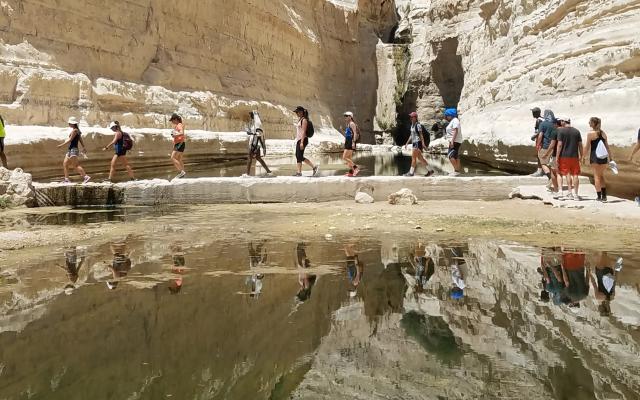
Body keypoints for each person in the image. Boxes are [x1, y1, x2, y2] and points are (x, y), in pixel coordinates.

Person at [582, 117, 614, 202]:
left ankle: (599, 197)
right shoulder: (603, 133)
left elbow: (587, 147)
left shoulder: (590, 134)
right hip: (603, 158)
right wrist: (610, 158)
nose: (589, 123)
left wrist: (583, 157)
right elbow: (607, 147)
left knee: (596, 176)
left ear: (593, 123)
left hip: (595, 157)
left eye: (590, 122)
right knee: (601, 176)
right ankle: (604, 196)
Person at [556, 117, 583, 200]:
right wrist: (582, 155)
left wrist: (557, 156)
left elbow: (559, 145)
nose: (561, 122)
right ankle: (576, 194)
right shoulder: (577, 131)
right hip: (575, 156)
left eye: (561, 121)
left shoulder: (561, 131)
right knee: (575, 175)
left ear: (564, 122)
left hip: (564, 156)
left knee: (567, 174)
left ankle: (570, 193)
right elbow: (580, 145)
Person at [57, 117, 91, 184]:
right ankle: (67, 179)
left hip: (73, 150)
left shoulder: (75, 131)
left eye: (70, 123)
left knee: (76, 165)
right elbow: (80, 140)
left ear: (73, 124)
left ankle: (86, 177)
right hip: (71, 150)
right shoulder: (77, 130)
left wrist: (61, 145)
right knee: (65, 164)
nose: (69, 124)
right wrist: (84, 147)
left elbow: (70, 140)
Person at [243, 111, 273, 178]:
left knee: (249, 157)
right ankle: (268, 171)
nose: (250, 117)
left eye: (251, 115)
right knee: (258, 158)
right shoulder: (254, 124)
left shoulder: (258, 125)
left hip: (255, 144)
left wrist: (258, 146)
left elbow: (259, 136)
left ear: (254, 116)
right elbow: (250, 132)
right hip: (253, 142)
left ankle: (247, 174)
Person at [403, 112, 433, 177]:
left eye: (412, 117)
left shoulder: (418, 125)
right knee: (420, 158)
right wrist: (407, 143)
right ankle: (430, 171)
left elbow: (421, 135)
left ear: (415, 118)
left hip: (417, 143)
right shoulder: (412, 125)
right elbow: (411, 135)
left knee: (413, 158)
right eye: (410, 117)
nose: (410, 118)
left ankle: (411, 173)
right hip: (414, 143)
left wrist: (423, 144)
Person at [588, 251, 618, 316]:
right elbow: (594, 284)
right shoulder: (598, 297)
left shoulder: (612, 297)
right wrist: (589, 273)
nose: (598, 310)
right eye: (600, 311)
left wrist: (616, 271)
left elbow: (614, 283)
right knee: (601, 252)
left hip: (609, 273)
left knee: (604, 253)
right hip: (600, 273)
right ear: (602, 309)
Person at [537, 109, 559, 194]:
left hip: (545, 146)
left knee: (543, 163)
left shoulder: (543, 124)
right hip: (554, 147)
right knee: (552, 165)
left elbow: (540, 135)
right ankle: (553, 182)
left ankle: (550, 179)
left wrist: (538, 144)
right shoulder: (555, 124)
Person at [293, 106, 319, 177]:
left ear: (301, 112)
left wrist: (301, 142)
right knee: (298, 156)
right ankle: (312, 168)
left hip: (303, 140)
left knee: (299, 156)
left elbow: (304, 131)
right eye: (296, 112)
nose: (296, 113)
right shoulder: (300, 119)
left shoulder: (304, 120)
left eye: (297, 112)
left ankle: (300, 172)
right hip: (299, 140)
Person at [444, 108, 463, 176]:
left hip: (455, 141)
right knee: (455, 156)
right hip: (455, 141)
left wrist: (452, 141)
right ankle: (456, 171)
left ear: (450, 115)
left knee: (450, 155)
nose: (446, 117)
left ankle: (457, 171)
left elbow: (455, 130)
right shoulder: (453, 120)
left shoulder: (455, 120)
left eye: (446, 115)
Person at [342, 112, 360, 177]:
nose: (345, 117)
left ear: (350, 116)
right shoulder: (348, 124)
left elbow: (355, 133)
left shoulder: (352, 123)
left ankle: (356, 168)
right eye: (345, 116)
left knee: (344, 157)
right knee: (349, 158)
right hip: (348, 141)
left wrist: (353, 142)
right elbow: (348, 133)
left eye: (347, 116)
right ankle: (351, 172)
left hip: (350, 141)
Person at [169, 113, 186, 179]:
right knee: (179, 159)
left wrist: (175, 135)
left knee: (172, 158)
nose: (172, 122)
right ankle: (183, 172)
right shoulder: (178, 125)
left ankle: (181, 172)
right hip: (180, 143)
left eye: (172, 120)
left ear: (175, 119)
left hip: (180, 143)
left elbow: (181, 133)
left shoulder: (179, 125)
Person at [530, 107, 545, 176]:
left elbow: (539, 131)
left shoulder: (538, 120)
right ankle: (544, 170)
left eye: (533, 112)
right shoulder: (544, 119)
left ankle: (539, 171)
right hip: (545, 140)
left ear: (536, 113)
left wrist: (533, 137)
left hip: (540, 140)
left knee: (539, 155)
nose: (532, 114)